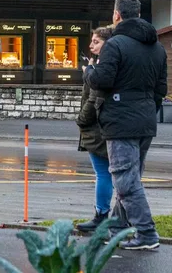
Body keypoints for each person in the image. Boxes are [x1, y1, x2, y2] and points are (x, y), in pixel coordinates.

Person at [86, 0, 168, 250]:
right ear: (139, 15)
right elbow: (161, 89)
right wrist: (148, 108)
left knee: (125, 180)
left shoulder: (115, 44)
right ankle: (117, 227)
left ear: (117, 15)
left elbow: (102, 80)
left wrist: (89, 72)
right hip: (145, 120)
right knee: (131, 178)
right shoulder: (157, 47)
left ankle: (146, 233)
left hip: (120, 120)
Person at [75, 26, 113, 233]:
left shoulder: (102, 67)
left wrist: (82, 119)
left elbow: (94, 98)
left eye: (96, 42)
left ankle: (101, 214)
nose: (91, 46)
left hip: (97, 126)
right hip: (105, 124)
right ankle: (113, 216)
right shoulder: (102, 64)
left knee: (103, 173)